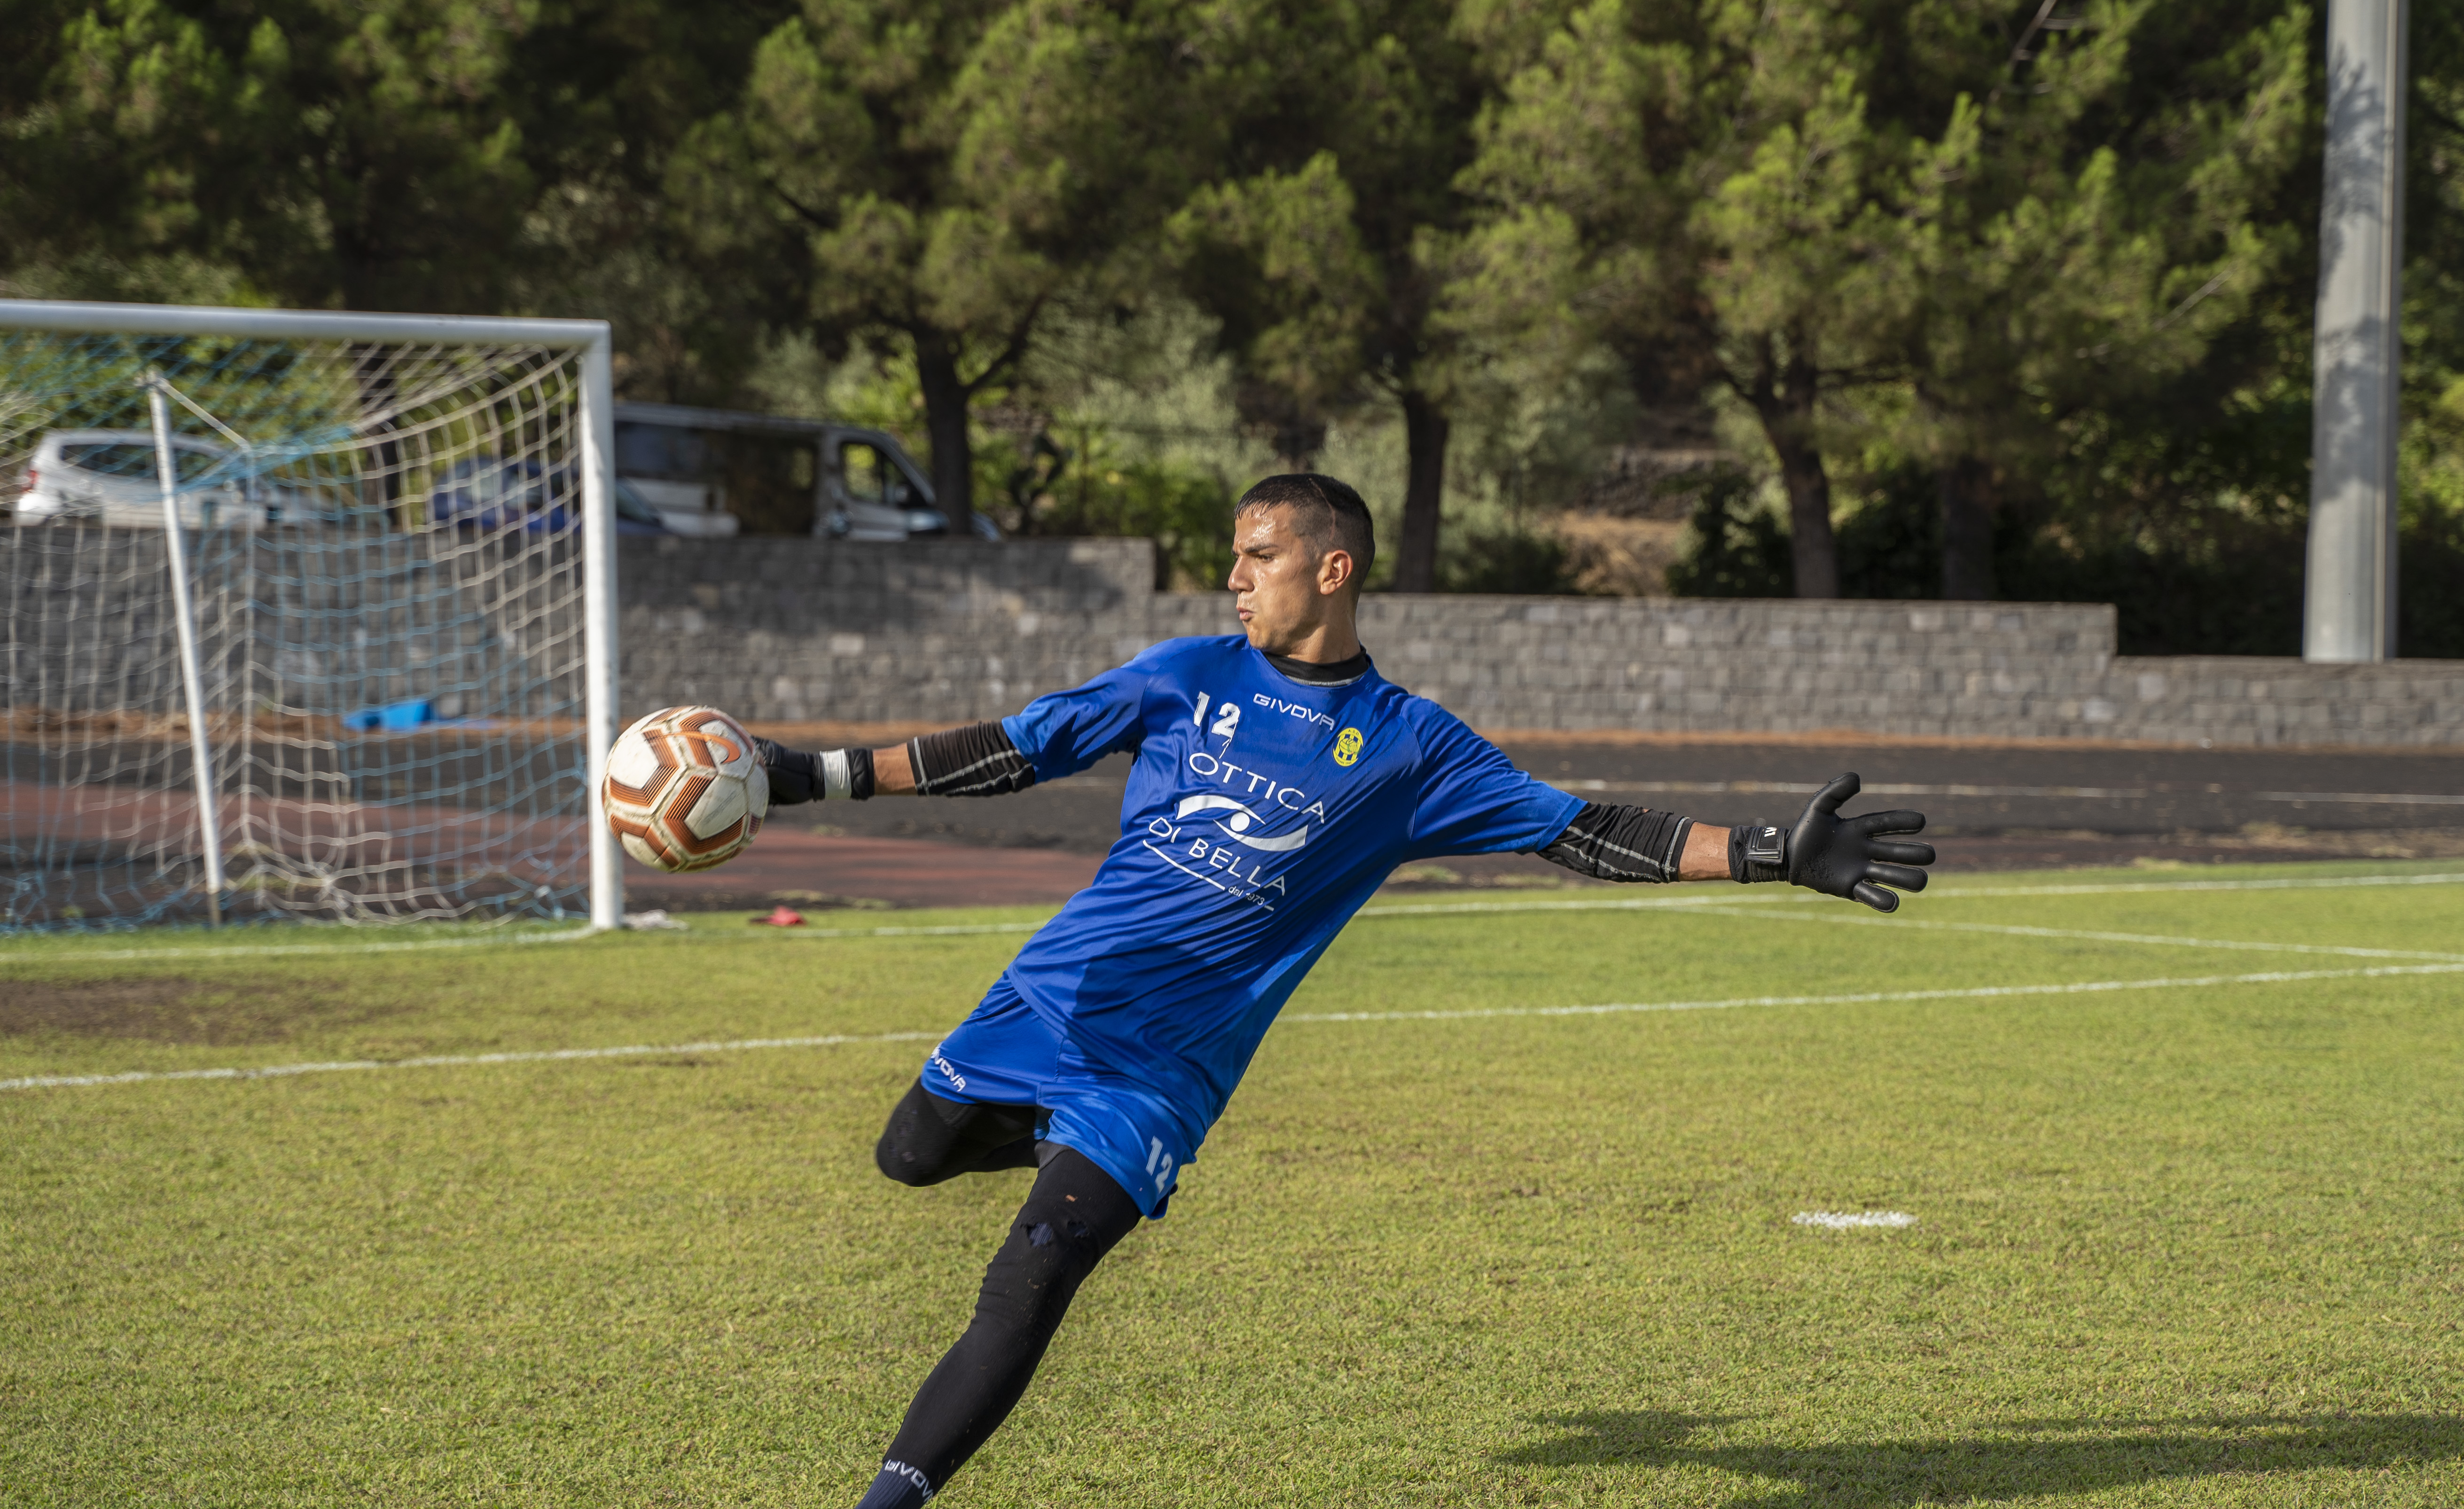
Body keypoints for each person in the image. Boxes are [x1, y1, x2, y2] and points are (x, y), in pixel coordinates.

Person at [753, 473, 1934, 1507]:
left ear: (1333, 568)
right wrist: (808, 775)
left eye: (1257, 556)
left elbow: (1583, 829)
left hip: (1163, 1072)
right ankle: (1055, 1143)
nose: (1233, 579)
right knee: (908, 1153)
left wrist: (1775, 850)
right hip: (1042, 1000)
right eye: (1234, 557)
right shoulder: (1181, 676)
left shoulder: (1412, 747)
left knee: (1031, 1277)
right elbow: (1012, 747)